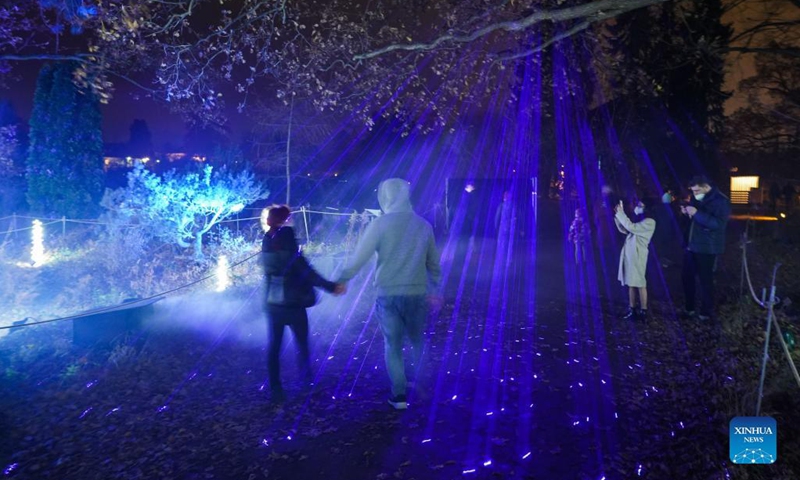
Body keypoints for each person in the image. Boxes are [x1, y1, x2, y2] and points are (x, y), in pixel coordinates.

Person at [337, 178, 442, 410]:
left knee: (392, 345)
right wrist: (435, 290)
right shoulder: (423, 225)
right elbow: (433, 263)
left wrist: (342, 279)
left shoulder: (379, 225)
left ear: (384, 197)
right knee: (417, 342)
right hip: (417, 294)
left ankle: (399, 396)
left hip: (388, 295)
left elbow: (359, 257)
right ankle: (425, 387)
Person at [261, 205, 345, 401]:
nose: (294, 221)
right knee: (302, 344)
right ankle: (306, 384)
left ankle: (276, 389)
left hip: (273, 303)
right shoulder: (289, 242)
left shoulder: (267, 241)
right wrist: (332, 287)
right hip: (293, 303)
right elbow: (306, 271)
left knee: (274, 346)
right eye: (290, 218)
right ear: (286, 220)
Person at [680, 175, 731, 321]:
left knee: (705, 281)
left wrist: (696, 213)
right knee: (686, 277)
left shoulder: (721, 201)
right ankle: (689, 308)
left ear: (706, 187)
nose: (695, 194)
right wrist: (687, 214)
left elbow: (718, 225)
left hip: (708, 247)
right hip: (692, 244)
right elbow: (695, 221)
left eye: (697, 190)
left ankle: (705, 312)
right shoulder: (698, 199)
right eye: (693, 191)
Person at [614, 198, 656, 320]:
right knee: (630, 282)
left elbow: (631, 227)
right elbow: (625, 229)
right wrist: (618, 216)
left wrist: (621, 213)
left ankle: (644, 311)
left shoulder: (650, 222)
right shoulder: (640, 220)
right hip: (630, 254)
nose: (638, 207)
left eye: (641, 205)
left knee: (640, 283)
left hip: (638, 255)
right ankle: (632, 309)